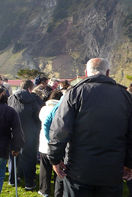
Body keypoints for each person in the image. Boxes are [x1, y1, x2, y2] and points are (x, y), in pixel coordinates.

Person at [48, 58, 132, 196]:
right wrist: (129, 163)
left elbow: (60, 130)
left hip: (79, 170)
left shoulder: (74, 94)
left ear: (86, 73)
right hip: (111, 169)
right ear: (108, 73)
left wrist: (55, 158)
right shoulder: (125, 96)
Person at [8, 79, 41, 190]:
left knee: (13, 157)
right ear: (29, 88)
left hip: (14, 131)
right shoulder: (33, 100)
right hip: (29, 132)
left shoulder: (11, 98)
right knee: (29, 157)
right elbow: (38, 116)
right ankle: (29, 182)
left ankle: (12, 179)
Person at [38, 90, 63, 197]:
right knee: (59, 167)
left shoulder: (44, 108)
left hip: (44, 142)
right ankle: (58, 190)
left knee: (44, 168)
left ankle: (44, 190)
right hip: (57, 142)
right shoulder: (61, 109)